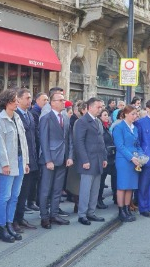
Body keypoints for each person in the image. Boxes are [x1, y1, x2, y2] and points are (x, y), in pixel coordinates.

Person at [0, 88, 30, 240]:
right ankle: (1, 227)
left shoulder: (17, 117)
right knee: (4, 196)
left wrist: (26, 161)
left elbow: (24, 142)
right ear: (7, 102)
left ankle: (9, 223)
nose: (17, 103)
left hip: (20, 160)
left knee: (15, 195)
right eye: (14, 100)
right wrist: (4, 164)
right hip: (8, 163)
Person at [38, 92, 73, 229]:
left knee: (58, 189)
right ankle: (44, 217)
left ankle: (54, 214)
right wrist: (48, 160)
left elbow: (69, 139)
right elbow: (44, 140)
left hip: (63, 158)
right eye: (60, 100)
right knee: (45, 189)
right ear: (52, 103)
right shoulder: (46, 118)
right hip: (50, 159)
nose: (63, 102)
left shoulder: (65, 117)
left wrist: (70, 156)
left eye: (63, 100)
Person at [72, 97, 107, 226]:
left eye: (101, 107)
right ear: (90, 107)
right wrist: (84, 160)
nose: (100, 109)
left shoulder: (97, 121)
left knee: (95, 189)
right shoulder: (82, 122)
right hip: (88, 161)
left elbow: (101, 141)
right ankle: (82, 214)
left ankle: (91, 212)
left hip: (97, 160)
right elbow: (79, 142)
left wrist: (104, 157)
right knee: (85, 189)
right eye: (98, 107)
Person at [14, 88, 39, 230]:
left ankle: (20, 217)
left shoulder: (29, 115)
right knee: (19, 191)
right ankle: (14, 220)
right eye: (27, 98)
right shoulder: (15, 114)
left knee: (25, 190)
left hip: (31, 158)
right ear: (19, 99)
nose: (30, 100)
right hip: (20, 159)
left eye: (30, 98)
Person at [112, 106, 142, 222]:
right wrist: (131, 157)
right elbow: (120, 146)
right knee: (122, 186)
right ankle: (121, 211)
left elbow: (137, 144)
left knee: (130, 186)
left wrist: (141, 155)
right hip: (124, 159)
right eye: (133, 114)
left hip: (135, 159)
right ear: (125, 114)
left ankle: (127, 208)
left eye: (136, 114)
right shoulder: (119, 127)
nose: (135, 116)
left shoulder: (134, 128)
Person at [98, 109, 116, 207]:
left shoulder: (107, 127)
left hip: (110, 156)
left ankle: (114, 196)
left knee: (110, 177)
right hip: (104, 156)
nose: (107, 117)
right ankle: (98, 199)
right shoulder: (100, 126)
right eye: (104, 115)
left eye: (107, 115)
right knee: (101, 180)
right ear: (100, 117)